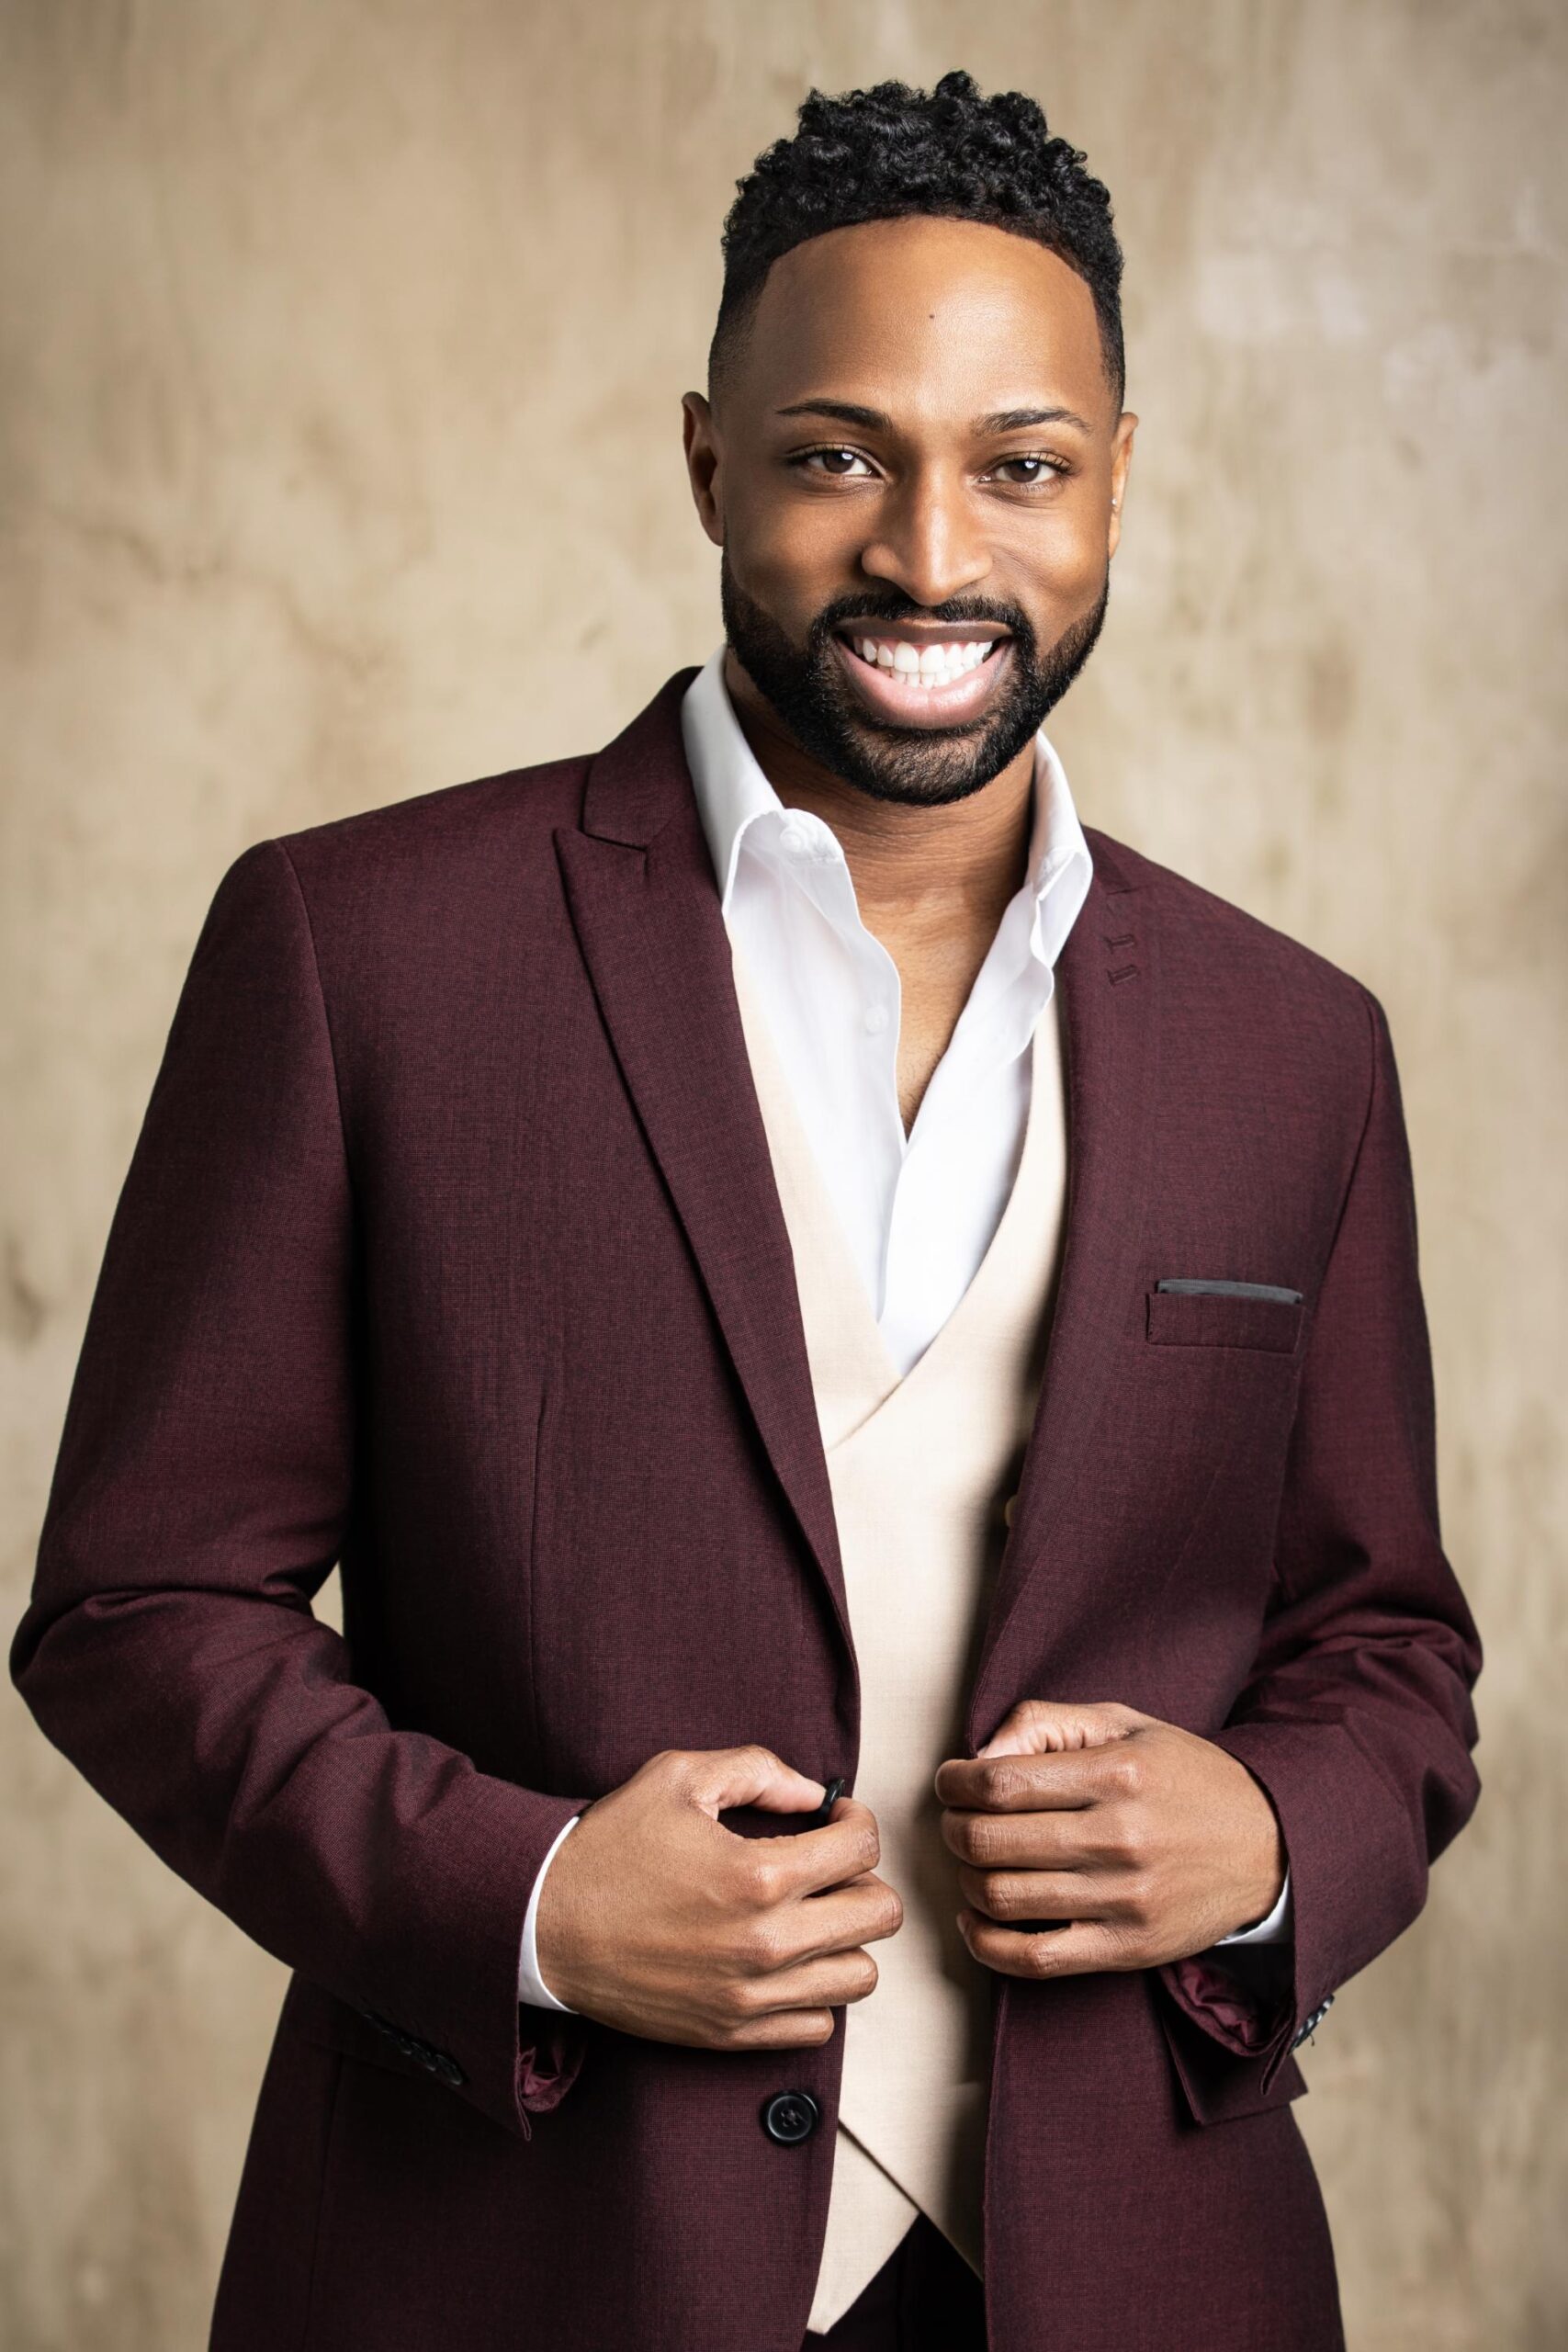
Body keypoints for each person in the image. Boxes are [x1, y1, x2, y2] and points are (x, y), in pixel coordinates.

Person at [11, 70, 1481, 2352]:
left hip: (1128, 2273)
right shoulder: (358, 948)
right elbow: (135, 1598)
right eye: (834, 453)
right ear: (707, 456)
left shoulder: (1293, 1041)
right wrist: (524, 1895)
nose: (926, 552)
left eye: (1018, 462)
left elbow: (1387, 1648)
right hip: (511, 2258)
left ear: (1113, 481)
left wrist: (1272, 1839)